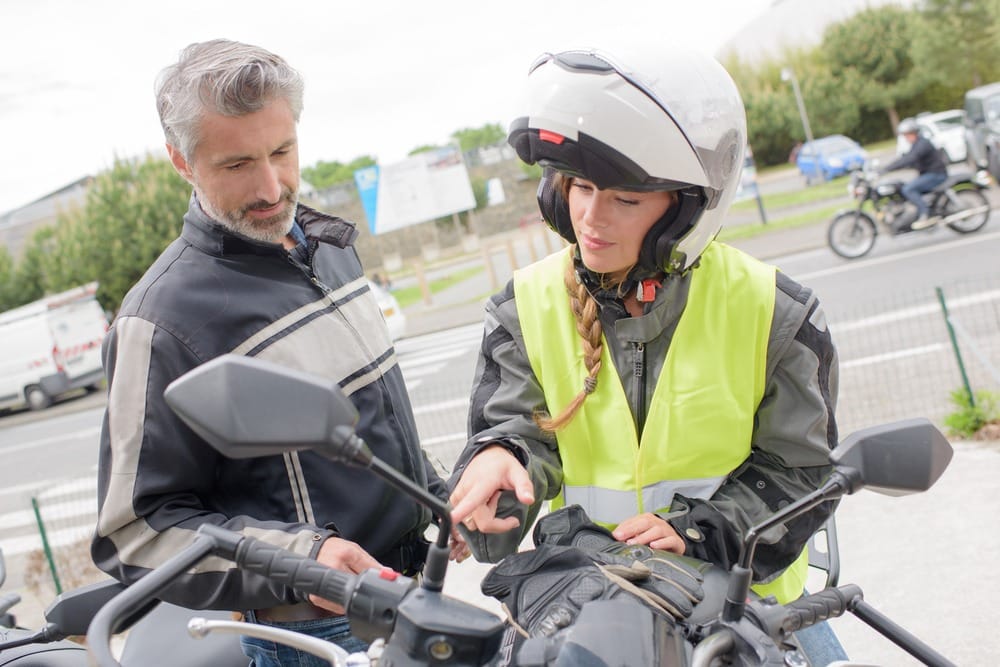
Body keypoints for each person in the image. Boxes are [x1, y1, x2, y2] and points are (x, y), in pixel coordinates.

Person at [448, 48, 846, 664]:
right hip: (590, 610)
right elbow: (516, 431)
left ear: (687, 208)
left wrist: (698, 533)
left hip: (747, 612)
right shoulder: (521, 307)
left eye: (625, 200)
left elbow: (805, 472)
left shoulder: (775, 311)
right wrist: (499, 468)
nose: (590, 217)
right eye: (579, 187)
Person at [91, 39, 466, 665]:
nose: (271, 187)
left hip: (412, 595)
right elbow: (135, 533)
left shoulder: (331, 247)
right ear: (181, 161)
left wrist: (435, 494)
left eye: (282, 151)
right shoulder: (158, 321)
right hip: (314, 637)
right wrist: (306, 559)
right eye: (237, 165)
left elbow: (362, 425)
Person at [883, 117, 949, 230]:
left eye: (907, 134)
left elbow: (911, 158)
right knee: (902, 186)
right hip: (928, 173)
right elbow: (908, 159)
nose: (905, 137)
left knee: (908, 189)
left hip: (936, 174)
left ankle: (925, 213)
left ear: (913, 133)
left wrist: (887, 169)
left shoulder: (922, 144)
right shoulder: (917, 144)